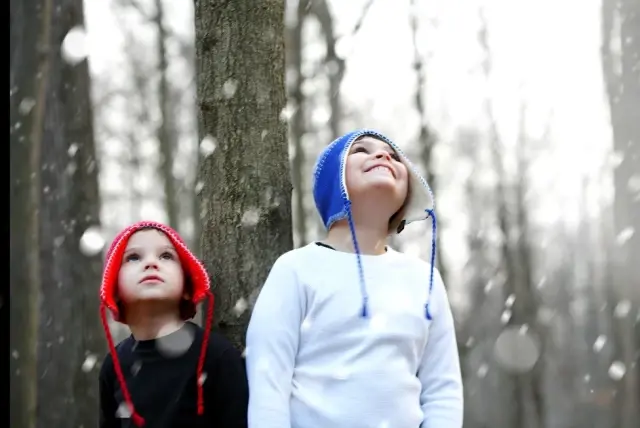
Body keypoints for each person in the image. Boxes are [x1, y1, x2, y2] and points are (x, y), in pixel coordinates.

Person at [245, 129, 463, 428]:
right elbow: (269, 381)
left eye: (394, 155)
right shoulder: (296, 268)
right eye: (361, 150)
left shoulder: (424, 279)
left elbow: (442, 390)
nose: (384, 154)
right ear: (333, 180)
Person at [98, 221, 248, 427]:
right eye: (133, 257)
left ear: (187, 287)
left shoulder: (216, 356)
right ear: (115, 291)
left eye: (166, 256)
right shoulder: (113, 365)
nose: (151, 263)